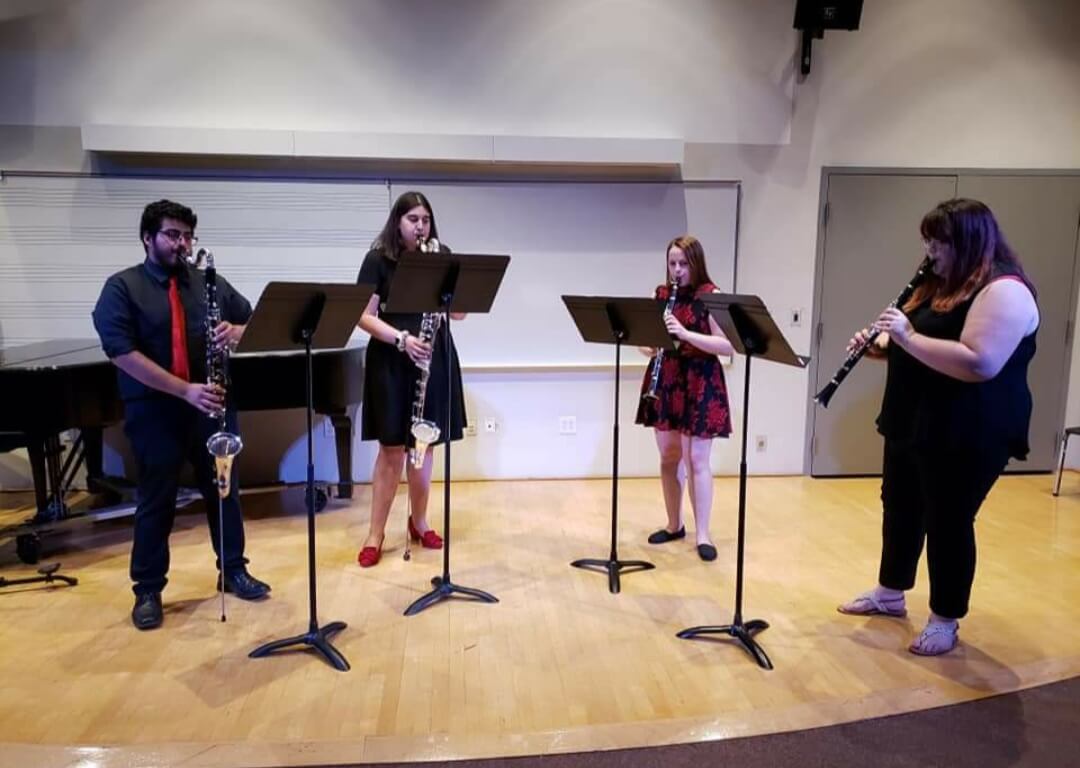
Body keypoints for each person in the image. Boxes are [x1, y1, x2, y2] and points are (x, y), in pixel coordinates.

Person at [837, 198, 1039, 656]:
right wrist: (881, 346)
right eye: (926, 241)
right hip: (915, 418)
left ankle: (945, 618)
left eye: (938, 241)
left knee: (947, 520)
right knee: (901, 507)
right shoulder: (939, 281)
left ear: (968, 241)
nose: (930, 251)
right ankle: (890, 593)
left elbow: (979, 362)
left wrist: (905, 337)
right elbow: (919, 340)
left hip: (968, 430)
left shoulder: (1004, 290)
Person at [92, 200, 271, 631]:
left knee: (224, 491)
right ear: (148, 238)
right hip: (156, 410)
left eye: (188, 235)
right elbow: (122, 354)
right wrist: (184, 390)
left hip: (211, 406)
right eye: (173, 235)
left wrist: (237, 332)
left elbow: (257, 322)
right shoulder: (122, 288)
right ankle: (148, 589)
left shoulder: (208, 282)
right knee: (157, 499)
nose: (183, 244)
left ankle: (233, 569)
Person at [355, 191, 467, 567]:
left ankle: (419, 521)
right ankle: (375, 533)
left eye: (426, 220)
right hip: (392, 357)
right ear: (397, 222)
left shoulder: (440, 254)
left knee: (424, 448)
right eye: (413, 219)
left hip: (433, 357)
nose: (420, 227)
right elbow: (363, 316)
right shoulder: (378, 260)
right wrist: (402, 339)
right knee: (391, 450)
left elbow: (460, 314)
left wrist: (450, 281)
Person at [635, 236, 735, 561]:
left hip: (700, 380)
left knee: (697, 461)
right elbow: (647, 344)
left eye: (683, 264)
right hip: (666, 380)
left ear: (696, 263)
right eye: (672, 263)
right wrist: (650, 342)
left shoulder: (712, 296)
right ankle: (674, 523)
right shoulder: (660, 295)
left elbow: (727, 346)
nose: (676, 270)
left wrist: (686, 333)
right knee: (668, 456)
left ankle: (703, 534)